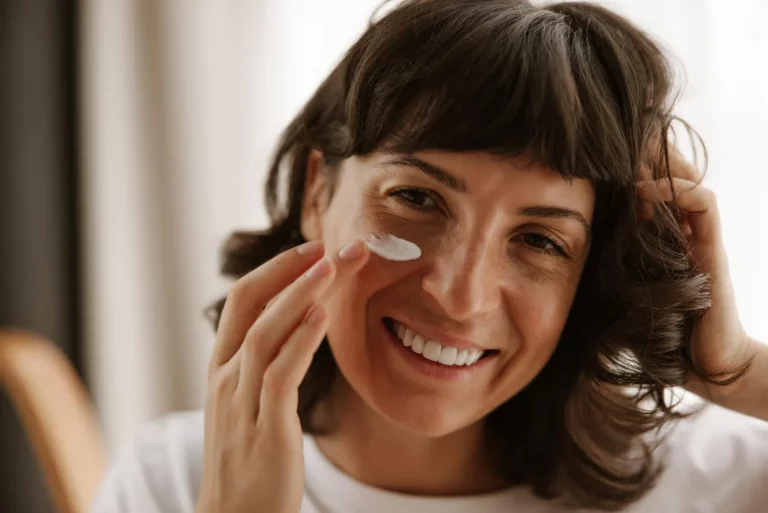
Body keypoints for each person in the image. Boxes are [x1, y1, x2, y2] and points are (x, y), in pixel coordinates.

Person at [89, 1, 768, 512]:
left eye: (539, 240)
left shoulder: (708, 483)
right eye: (416, 198)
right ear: (318, 192)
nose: (458, 293)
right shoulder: (173, 482)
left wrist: (738, 372)